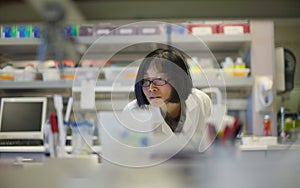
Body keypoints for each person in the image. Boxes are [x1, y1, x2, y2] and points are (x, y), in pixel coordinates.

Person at [124, 45, 212, 152]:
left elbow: (211, 147)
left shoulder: (201, 101)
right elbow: (132, 158)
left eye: (160, 79)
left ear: (178, 79)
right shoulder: (133, 112)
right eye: (146, 80)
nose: (151, 88)